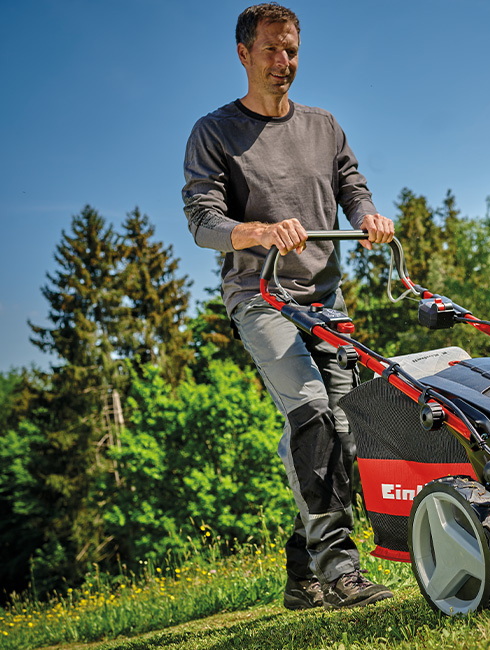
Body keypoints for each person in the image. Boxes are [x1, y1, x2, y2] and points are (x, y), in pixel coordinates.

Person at [182, 2, 396, 610]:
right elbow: (203, 220)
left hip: (324, 297)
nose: (284, 62)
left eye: (293, 50)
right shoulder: (214, 132)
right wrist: (257, 231)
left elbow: (351, 184)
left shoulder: (323, 125)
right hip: (261, 297)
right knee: (309, 413)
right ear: (244, 54)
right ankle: (339, 574)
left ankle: (302, 575)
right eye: (272, 49)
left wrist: (368, 218)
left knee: (348, 432)